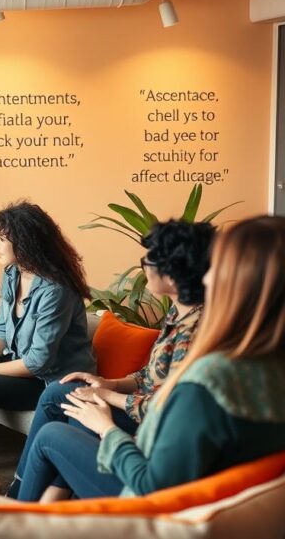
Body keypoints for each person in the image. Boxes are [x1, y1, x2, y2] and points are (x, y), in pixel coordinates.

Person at [17, 215, 285, 502]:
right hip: (192, 482)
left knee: (54, 432)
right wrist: (110, 385)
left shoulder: (207, 378)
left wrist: (107, 427)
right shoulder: (262, 365)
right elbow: (154, 380)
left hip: (151, 505)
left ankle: (20, 507)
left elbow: (152, 485)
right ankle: (44, 502)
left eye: (217, 267)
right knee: (68, 402)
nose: (206, 277)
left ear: (237, 285)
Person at [8, 220, 214, 499]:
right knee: (60, 392)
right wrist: (110, 384)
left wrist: (106, 398)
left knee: (72, 414)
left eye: (147, 260)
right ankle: (34, 495)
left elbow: (164, 409)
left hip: (148, 427)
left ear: (173, 272)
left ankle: (27, 501)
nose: (143, 267)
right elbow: (149, 375)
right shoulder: (178, 314)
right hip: (139, 410)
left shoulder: (195, 333)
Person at [0, 201, 95, 492]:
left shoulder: (56, 289)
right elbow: (1, 332)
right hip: (22, 367)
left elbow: (39, 361)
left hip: (52, 380)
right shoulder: (12, 273)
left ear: (23, 242)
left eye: (2, 239)